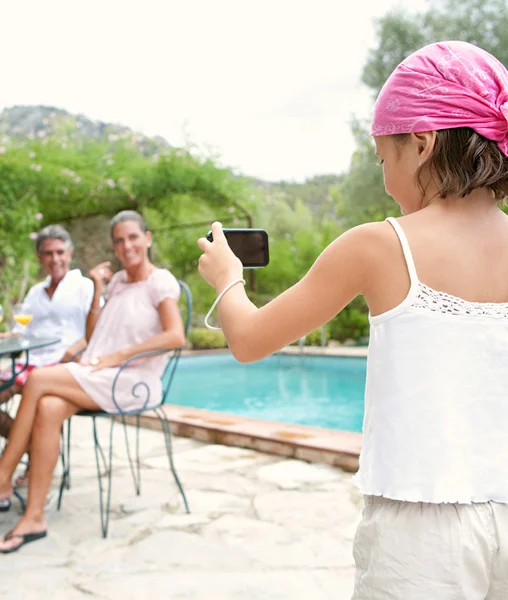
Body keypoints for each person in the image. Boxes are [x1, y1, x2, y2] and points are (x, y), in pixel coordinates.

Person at [197, 41, 508, 598]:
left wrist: (227, 277)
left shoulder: (378, 245)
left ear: (421, 143)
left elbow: (247, 339)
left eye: (383, 158)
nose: (387, 179)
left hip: (421, 533)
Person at [0, 210, 185, 553]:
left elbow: (175, 336)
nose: (126, 245)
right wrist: (100, 288)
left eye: (132, 237)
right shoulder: (117, 283)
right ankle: (34, 517)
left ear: (147, 238)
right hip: (100, 373)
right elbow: (95, 335)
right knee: (50, 406)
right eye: (119, 240)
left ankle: (3, 476)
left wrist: (116, 357)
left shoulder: (160, 282)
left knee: (38, 380)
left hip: (132, 379)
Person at [0, 224, 94, 487]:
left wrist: (74, 350)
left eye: (60, 252)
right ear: (39, 257)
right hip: (30, 362)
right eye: (48, 253)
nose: (55, 259)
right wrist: (9, 337)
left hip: (64, 363)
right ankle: (33, 449)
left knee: (45, 402)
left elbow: (97, 330)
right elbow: (21, 332)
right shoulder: (34, 293)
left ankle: (30, 464)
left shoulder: (85, 287)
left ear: (70, 253)